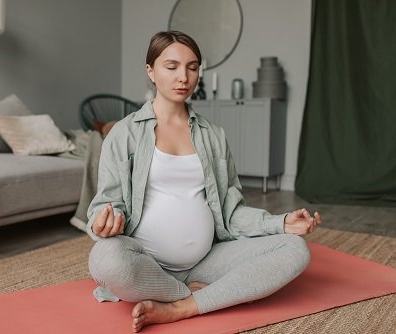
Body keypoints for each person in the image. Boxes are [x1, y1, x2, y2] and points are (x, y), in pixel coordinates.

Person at [86, 30, 322, 333]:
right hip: (147, 263)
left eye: (192, 67)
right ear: (151, 71)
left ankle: (182, 306)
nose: (183, 76)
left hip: (207, 260)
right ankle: (198, 294)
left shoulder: (213, 135)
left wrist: (282, 222)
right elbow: (106, 204)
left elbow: (231, 210)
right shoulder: (124, 133)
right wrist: (105, 222)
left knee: (295, 250)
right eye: (171, 67)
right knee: (105, 260)